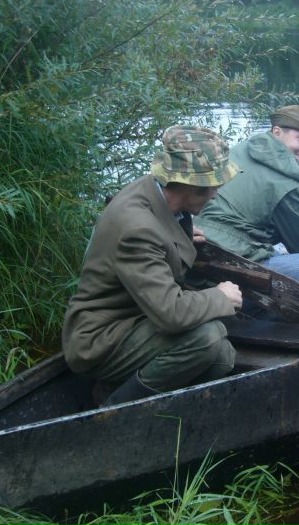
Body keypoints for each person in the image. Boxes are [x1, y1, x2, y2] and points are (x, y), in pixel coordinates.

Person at [62, 126, 243, 406]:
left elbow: (157, 238)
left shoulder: (155, 194)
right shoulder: (137, 228)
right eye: (215, 185)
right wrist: (220, 296)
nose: (216, 195)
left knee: (222, 357)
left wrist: (178, 234)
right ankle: (113, 405)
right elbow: (171, 314)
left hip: (133, 320)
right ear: (194, 186)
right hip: (101, 341)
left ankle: (145, 397)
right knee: (207, 338)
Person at [194, 105, 299, 296]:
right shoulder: (287, 181)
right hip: (235, 261)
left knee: (278, 254)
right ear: (277, 131)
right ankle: (272, 318)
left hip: (200, 247)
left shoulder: (242, 149)